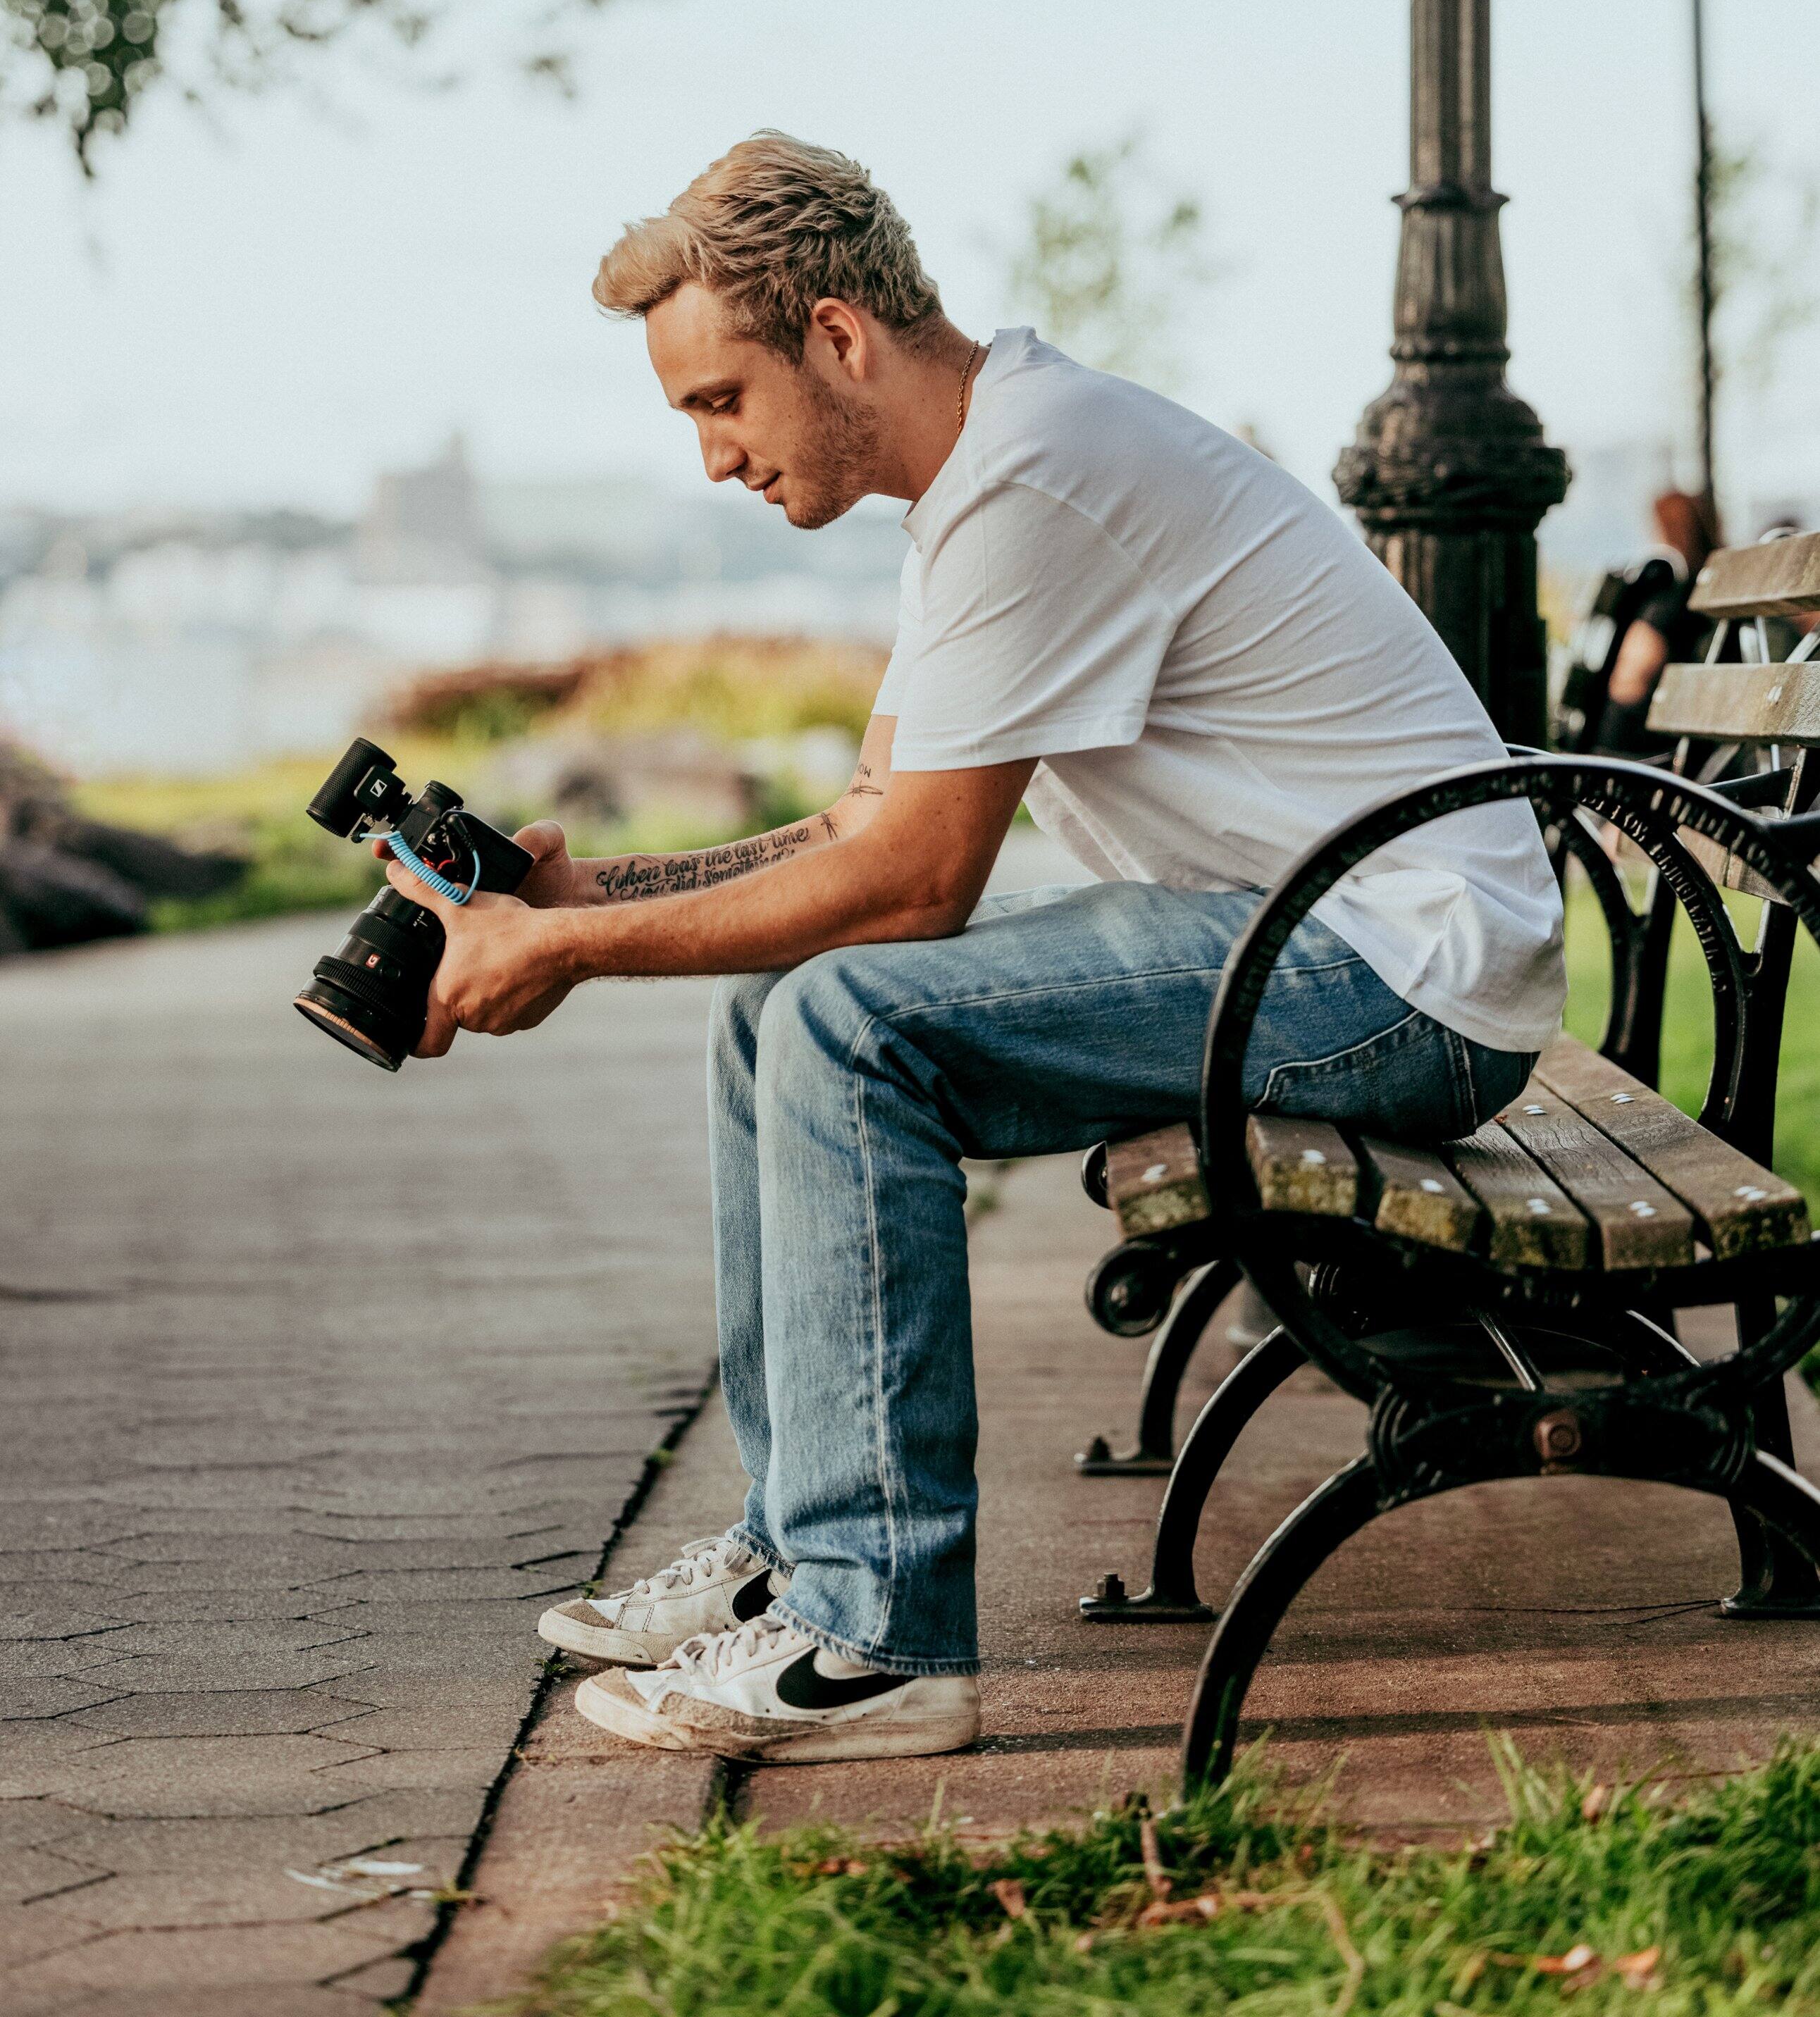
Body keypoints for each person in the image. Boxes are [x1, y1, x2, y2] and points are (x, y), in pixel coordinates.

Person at [378, 132, 1566, 1766]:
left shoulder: (1034, 477)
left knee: (856, 1020)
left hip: (1401, 977)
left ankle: (875, 1640)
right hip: (1317, 936)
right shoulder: (983, 480)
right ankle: (799, 1549)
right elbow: (870, 822)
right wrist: (593, 899)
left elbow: (916, 888)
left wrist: (577, 960)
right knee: (773, 1005)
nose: (714, 458)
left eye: (722, 401)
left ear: (840, 337)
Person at [1594, 490, 1721, 754]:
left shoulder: (1668, 599)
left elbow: (1631, 682)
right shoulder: (1711, 591)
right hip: (1694, 741)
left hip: (1643, 750)